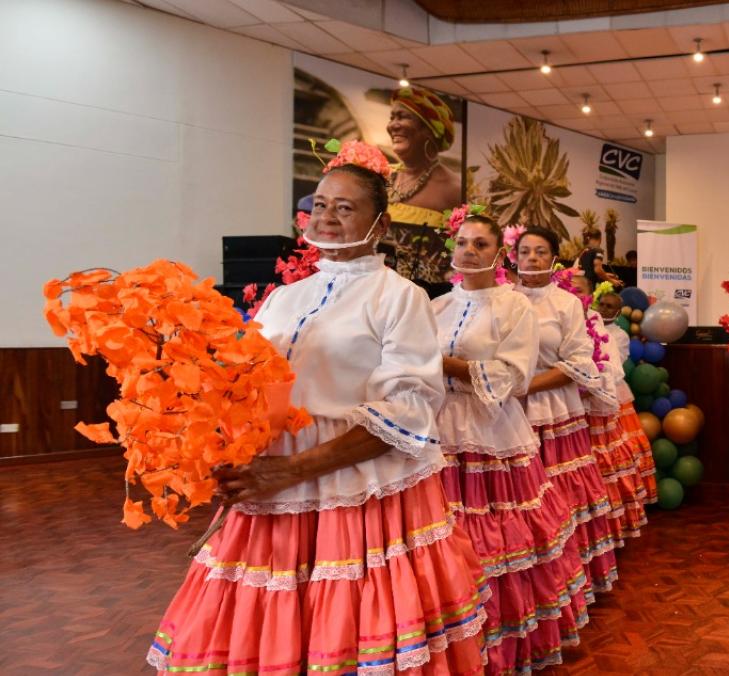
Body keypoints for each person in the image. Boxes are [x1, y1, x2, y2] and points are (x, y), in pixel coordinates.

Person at [148, 148, 488, 675]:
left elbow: (410, 411)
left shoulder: (401, 298)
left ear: (382, 223)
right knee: (271, 620)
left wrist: (293, 469)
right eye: (320, 204)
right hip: (270, 484)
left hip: (354, 485)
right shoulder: (284, 298)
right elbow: (248, 384)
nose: (326, 218)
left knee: (347, 623)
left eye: (345, 208)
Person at [432, 212, 591, 672]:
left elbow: (512, 376)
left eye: (481, 244)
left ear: (499, 254)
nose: (469, 251)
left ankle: (501, 637)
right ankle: (454, 632)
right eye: (462, 243)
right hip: (440, 428)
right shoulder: (437, 306)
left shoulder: (513, 306)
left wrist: (448, 366)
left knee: (498, 535)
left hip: (491, 428)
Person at [513, 227, 620, 604]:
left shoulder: (566, 303)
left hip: (552, 409)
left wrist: (527, 387)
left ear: (554, 258)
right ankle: (529, 581)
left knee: (559, 494)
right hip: (508, 412)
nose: (532, 259)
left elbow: (579, 363)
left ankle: (569, 578)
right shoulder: (501, 300)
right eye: (524, 251)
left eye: (541, 252)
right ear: (513, 256)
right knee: (520, 499)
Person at [570, 274, 648, 546]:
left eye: (579, 291)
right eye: (567, 289)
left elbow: (613, 369)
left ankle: (603, 532)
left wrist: (586, 378)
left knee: (599, 472)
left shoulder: (601, 329)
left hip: (594, 409)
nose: (572, 295)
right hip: (563, 413)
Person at [385, 86, 464, 296]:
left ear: (429, 130)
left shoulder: (453, 188)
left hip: (429, 298)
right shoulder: (381, 177)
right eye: (392, 117)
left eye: (402, 117)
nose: (393, 125)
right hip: (378, 294)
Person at [597, 291, 658, 503]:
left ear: (617, 311)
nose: (603, 309)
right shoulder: (585, 327)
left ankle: (624, 496)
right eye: (601, 304)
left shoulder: (620, 335)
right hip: (588, 393)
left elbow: (616, 366)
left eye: (609, 306)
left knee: (621, 448)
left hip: (613, 391)